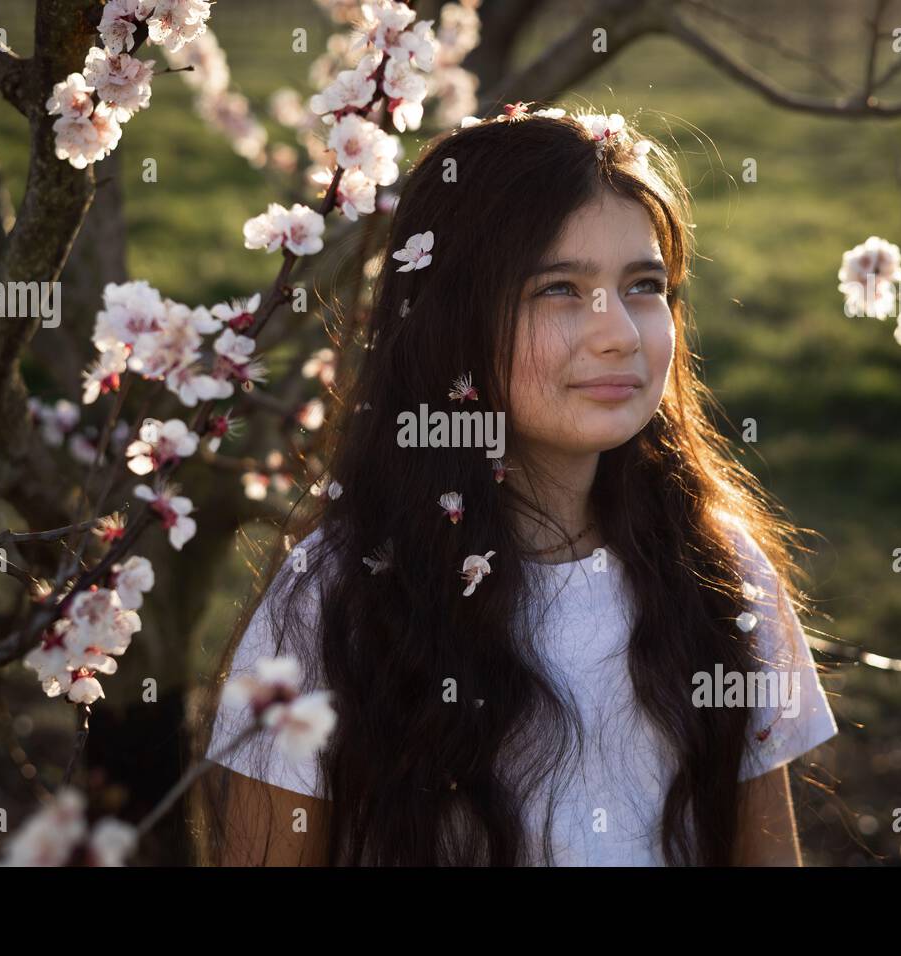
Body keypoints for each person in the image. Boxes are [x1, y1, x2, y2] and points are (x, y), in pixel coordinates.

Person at [191, 108, 838, 866]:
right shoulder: (335, 601)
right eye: (560, 289)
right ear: (451, 321)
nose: (620, 334)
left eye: (644, 286)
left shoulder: (718, 570)